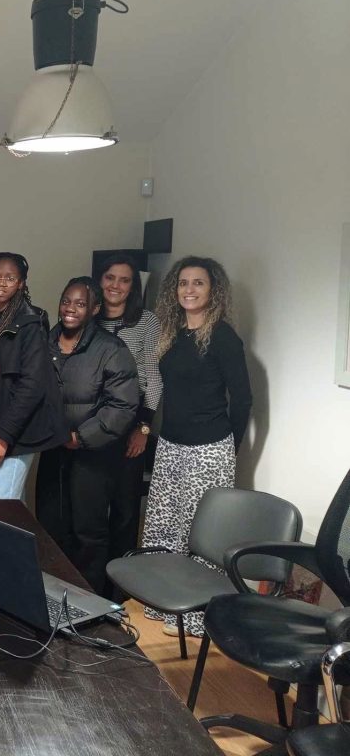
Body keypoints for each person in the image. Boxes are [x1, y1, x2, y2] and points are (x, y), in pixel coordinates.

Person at [142, 256, 252, 636]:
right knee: (163, 527)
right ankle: (162, 606)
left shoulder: (222, 336)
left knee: (200, 535)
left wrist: (226, 449)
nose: (189, 289)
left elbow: (243, 400)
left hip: (209, 449)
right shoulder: (171, 334)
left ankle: (196, 617)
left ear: (213, 290)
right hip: (170, 444)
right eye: (183, 283)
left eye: (198, 283)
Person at [35, 277, 139, 597]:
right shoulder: (45, 343)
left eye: (80, 304)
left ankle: (88, 601)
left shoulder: (110, 349)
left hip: (92, 456)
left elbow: (123, 405)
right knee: (50, 524)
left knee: (88, 531)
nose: (71, 309)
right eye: (67, 301)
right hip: (53, 451)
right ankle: (53, 595)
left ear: (94, 309)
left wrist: (80, 437)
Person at [0, 252, 68, 500]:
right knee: (10, 506)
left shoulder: (30, 323)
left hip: (21, 431)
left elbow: (33, 385)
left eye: (9, 278)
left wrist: (4, 436)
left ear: (21, 283)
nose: (1, 283)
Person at [95, 254, 162, 564]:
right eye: (110, 278)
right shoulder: (89, 315)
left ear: (133, 286)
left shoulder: (146, 321)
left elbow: (154, 377)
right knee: (90, 511)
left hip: (131, 422)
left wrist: (144, 428)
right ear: (100, 280)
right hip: (91, 422)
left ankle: (120, 582)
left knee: (125, 510)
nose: (116, 285)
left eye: (124, 280)